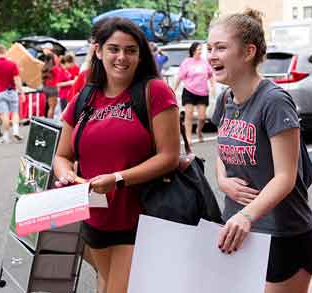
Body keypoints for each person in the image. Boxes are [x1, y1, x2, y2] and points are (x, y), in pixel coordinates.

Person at [53, 17, 180, 293]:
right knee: (105, 284)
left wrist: (118, 178)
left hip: (141, 218)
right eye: (113, 49)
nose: (122, 57)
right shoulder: (85, 97)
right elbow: (62, 155)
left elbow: (169, 156)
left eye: (131, 50)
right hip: (94, 219)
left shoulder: (155, 92)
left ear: (140, 54)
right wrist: (66, 175)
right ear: (98, 51)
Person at [208, 9, 312, 293]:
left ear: (248, 52)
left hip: (282, 235)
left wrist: (246, 215)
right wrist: (223, 181)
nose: (211, 55)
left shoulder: (274, 101)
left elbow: (286, 176)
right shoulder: (225, 99)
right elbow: (222, 149)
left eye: (220, 47)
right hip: (238, 231)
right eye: (209, 48)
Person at [173, 42, 215, 144]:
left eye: (201, 49)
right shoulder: (187, 62)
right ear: (193, 50)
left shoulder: (204, 62)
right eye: (199, 49)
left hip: (203, 92)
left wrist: (213, 86)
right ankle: (188, 137)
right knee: (189, 115)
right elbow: (180, 76)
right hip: (189, 91)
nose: (200, 51)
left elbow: (211, 75)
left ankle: (199, 131)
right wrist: (174, 89)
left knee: (202, 117)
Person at [0, 45, 24, 144]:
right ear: (5, 52)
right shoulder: (12, 64)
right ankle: (16, 131)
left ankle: (6, 136)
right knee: (15, 112)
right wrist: (21, 92)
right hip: (12, 91)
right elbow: (17, 79)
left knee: (5, 115)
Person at [41, 53, 61, 119]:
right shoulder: (55, 68)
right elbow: (59, 78)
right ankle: (50, 122)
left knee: (49, 107)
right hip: (53, 89)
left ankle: (48, 120)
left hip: (45, 88)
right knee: (52, 108)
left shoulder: (44, 68)